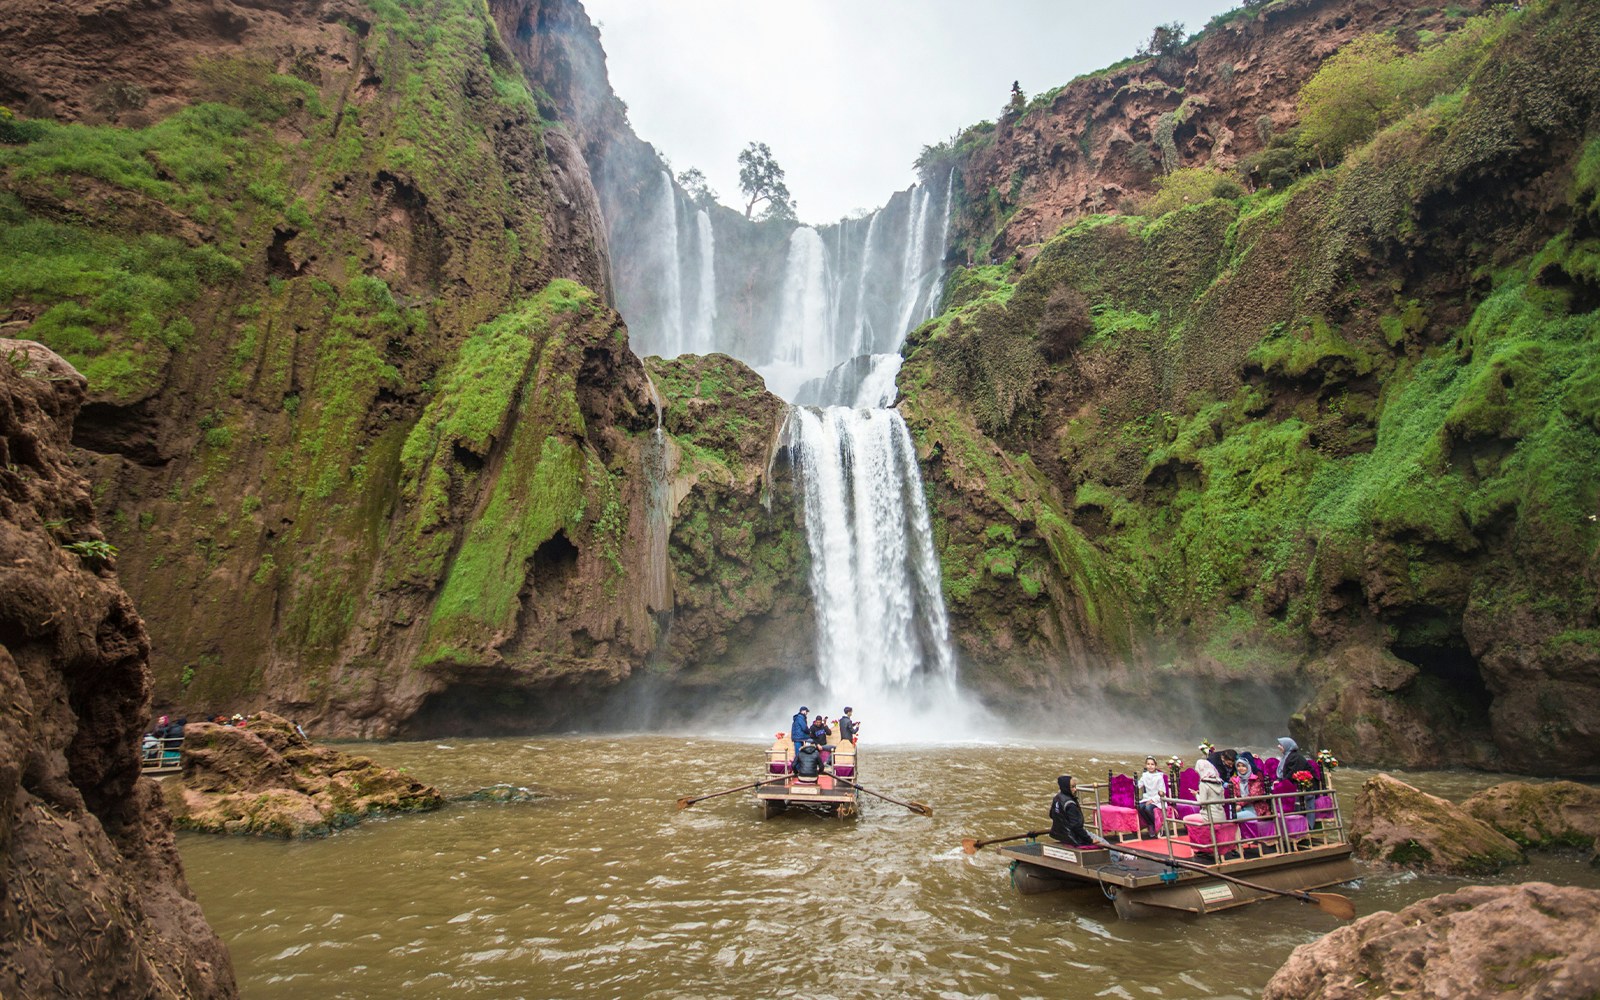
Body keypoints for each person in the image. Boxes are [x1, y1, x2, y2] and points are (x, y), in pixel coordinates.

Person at [1048, 775, 1097, 847]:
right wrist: (1090, 840)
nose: (1075, 789)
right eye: (1072, 787)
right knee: (1104, 843)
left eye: (1075, 786)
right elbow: (1076, 827)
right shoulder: (1070, 804)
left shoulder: (1056, 798)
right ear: (1066, 787)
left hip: (1060, 835)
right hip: (1072, 837)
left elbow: (1051, 815)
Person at [1136, 756, 1166, 837]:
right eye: (1148, 764)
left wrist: (1152, 800)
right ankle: (1150, 824)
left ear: (1155, 766)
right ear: (1146, 765)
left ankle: (1157, 824)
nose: (1150, 766)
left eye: (1152, 764)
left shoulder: (1159, 777)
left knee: (1148, 808)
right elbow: (1138, 785)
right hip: (1147, 798)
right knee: (1140, 807)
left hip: (1158, 799)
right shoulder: (1145, 775)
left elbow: (1162, 792)